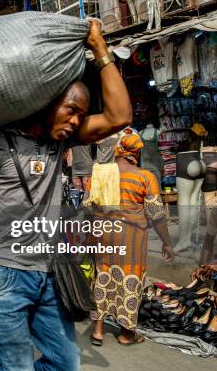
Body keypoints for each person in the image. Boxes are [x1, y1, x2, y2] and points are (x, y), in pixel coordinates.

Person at [0, 20, 132, 370]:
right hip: (3, 271)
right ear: (47, 103)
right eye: (72, 110)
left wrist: (99, 50)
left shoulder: (60, 139)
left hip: (48, 271)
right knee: (17, 364)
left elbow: (119, 115)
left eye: (82, 115)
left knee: (67, 363)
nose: (76, 121)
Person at [86, 128, 174, 346]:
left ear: (117, 151)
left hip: (102, 235)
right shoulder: (144, 176)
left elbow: (86, 208)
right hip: (131, 238)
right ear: (136, 154)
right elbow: (156, 215)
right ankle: (127, 333)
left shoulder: (100, 174)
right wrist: (167, 243)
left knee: (102, 276)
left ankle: (97, 330)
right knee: (130, 280)